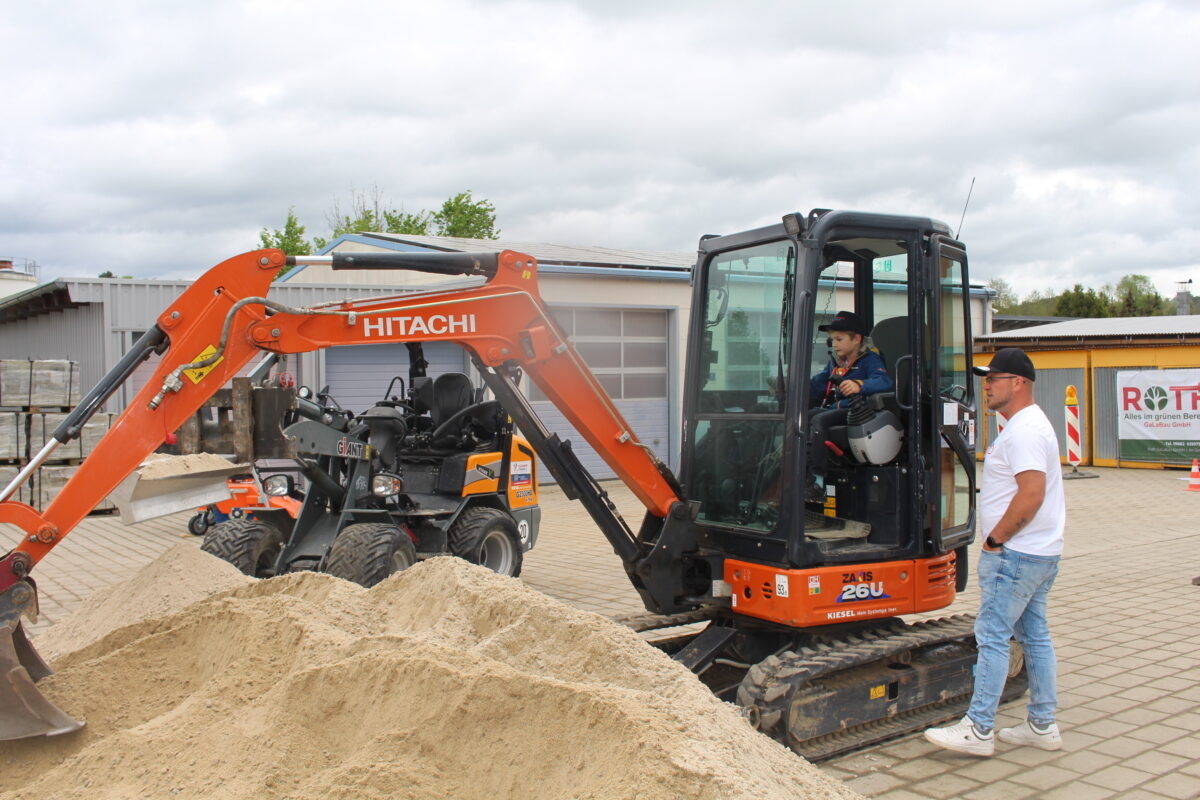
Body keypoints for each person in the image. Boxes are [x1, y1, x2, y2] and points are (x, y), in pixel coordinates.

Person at [924, 347, 1066, 757]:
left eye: (993, 379)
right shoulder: (1029, 425)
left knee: (992, 636)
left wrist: (995, 540)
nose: (986, 387)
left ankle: (979, 728)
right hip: (1040, 552)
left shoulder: (1023, 431)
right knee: (1034, 636)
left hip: (1017, 555)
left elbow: (1032, 494)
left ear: (1018, 383)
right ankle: (1042, 724)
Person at [805, 310, 893, 501]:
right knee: (803, 417)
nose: (834, 344)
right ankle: (801, 471)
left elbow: (884, 381)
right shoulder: (837, 363)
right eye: (832, 339)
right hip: (834, 409)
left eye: (839, 339)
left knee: (819, 420)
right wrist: (792, 390)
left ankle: (817, 482)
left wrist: (859, 385)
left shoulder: (870, 359)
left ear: (856, 339)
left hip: (854, 411)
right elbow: (819, 384)